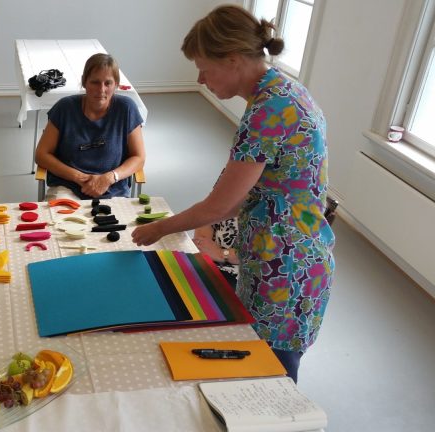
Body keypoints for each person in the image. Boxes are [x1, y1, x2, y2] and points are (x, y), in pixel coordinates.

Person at [132, 4, 335, 383]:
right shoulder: (285, 92)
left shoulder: (267, 111)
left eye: (205, 68)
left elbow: (222, 204)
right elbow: (245, 189)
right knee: (266, 366)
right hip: (295, 257)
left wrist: (160, 228)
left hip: (285, 267)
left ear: (233, 60)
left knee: (271, 378)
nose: (201, 80)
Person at [35, 53, 146, 200]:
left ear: (116, 85)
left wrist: (109, 177)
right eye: (95, 82)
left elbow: (139, 157)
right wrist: (78, 177)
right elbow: (41, 154)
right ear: (84, 82)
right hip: (67, 187)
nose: (101, 89)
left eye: (108, 83)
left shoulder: (126, 108)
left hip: (113, 188)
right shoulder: (64, 108)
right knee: (60, 223)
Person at [193, 217, 239, 288]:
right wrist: (202, 244)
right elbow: (206, 217)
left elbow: (255, 255)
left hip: (239, 273)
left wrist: (220, 253)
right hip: (209, 260)